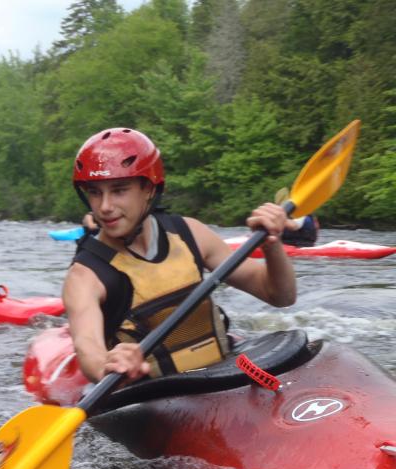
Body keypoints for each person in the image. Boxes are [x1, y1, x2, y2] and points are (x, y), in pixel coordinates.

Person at [62, 128, 298, 384]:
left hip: (222, 377)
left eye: (119, 190)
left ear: (149, 189)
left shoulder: (189, 233)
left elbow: (280, 296)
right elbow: (89, 349)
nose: (105, 206)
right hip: (155, 398)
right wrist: (107, 364)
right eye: (95, 192)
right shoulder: (85, 276)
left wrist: (272, 245)